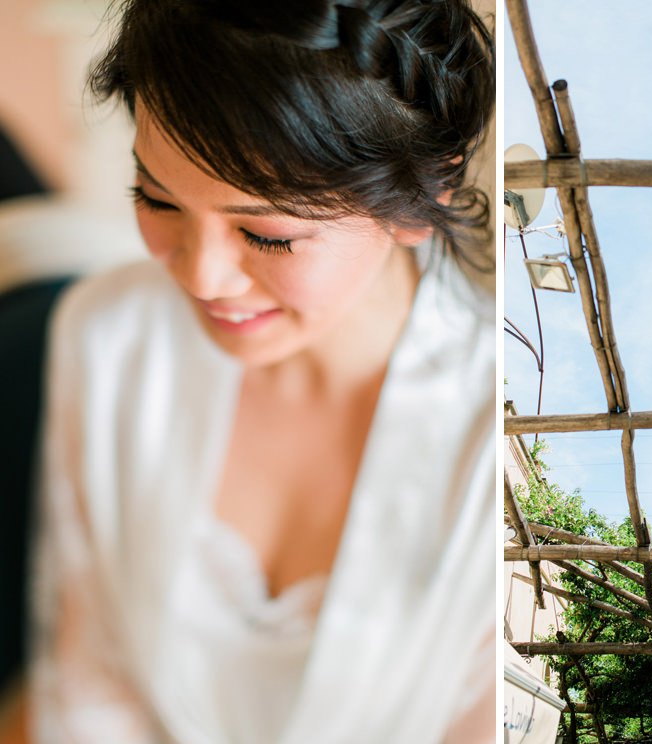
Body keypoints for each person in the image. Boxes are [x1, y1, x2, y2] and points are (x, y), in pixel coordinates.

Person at [28, 1, 496, 742]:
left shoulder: (491, 441)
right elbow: (88, 675)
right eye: (157, 198)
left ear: (419, 199)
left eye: (268, 235)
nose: (204, 277)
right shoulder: (108, 334)